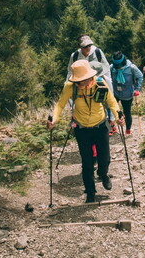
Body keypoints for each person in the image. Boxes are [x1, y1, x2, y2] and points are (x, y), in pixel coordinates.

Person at [48, 60, 124, 203]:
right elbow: (60, 104)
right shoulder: (70, 87)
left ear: (90, 76)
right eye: (78, 81)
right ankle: (90, 192)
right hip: (82, 129)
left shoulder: (100, 83)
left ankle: (103, 174)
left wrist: (118, 115)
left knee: (105, 158)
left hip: (101, 126)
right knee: (87, 162)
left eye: (83, 81)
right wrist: (54, 120)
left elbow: (112, 102)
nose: (81, 84)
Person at [109, 52, 143, 135]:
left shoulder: (131, 68)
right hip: (115, 93)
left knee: (127, 112)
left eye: (120, 65)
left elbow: (140, 76)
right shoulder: (112, 67)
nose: (118, 67)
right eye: (117, 66)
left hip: (127, 94)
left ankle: (128, 129)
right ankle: (112, 127)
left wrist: (137, 89)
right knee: (111, 110)